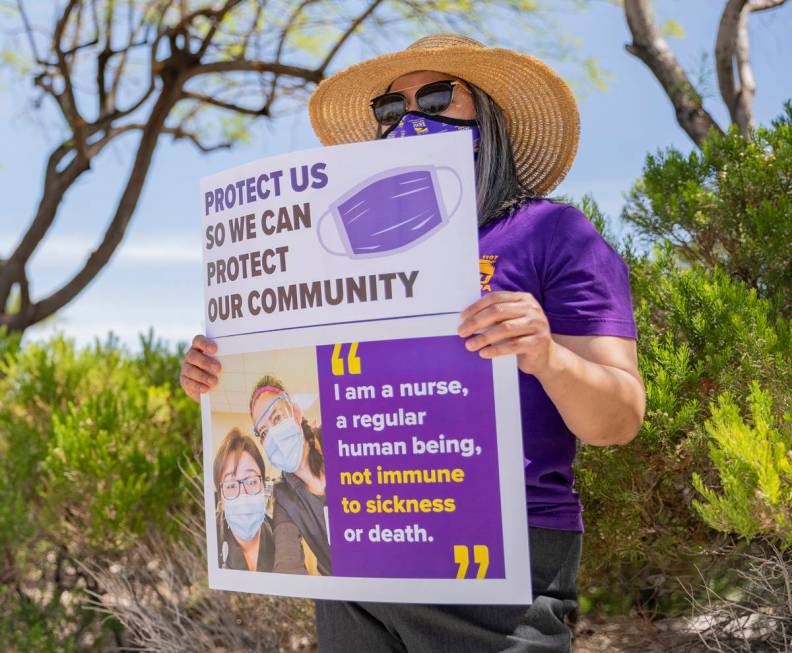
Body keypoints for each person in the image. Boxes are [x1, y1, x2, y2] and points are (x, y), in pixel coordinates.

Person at [180, 32, 646, 653]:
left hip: (496, 559)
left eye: (435, 95)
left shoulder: (553, 233)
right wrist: (218, 373)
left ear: (490, 117)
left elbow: (618, 419)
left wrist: (548, 356)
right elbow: (312, 386)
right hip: (359, 556)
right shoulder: (338, 257)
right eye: (391, 109)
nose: (411, 119)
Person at [249, 375, 331, 576]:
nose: (274, 435)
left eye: (277, 418)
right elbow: (287, 563)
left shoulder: (338, 439)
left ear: (295, 413)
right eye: (264, 432)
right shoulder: (284, 498)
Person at [213, 428, 275, 572]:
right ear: (221, 498)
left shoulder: (281, 535)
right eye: (231, 485)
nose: (243, 495)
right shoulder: (211, 539)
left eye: (252, 482)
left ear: (264, 487)